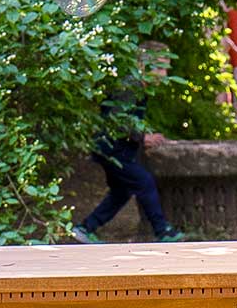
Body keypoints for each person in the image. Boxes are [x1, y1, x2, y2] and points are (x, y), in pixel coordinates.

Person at [69, 65, 183, 244]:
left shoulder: (138, 87)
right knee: (144, 182)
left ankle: (85, 228)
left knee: (121, 191)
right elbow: (118, 120)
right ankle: (162, 231)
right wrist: (142, 137)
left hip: (114, 148)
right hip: (111, 148)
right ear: (144, 66)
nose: (165, 74)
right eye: (160, 68)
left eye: (167, 68)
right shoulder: (131, 87)